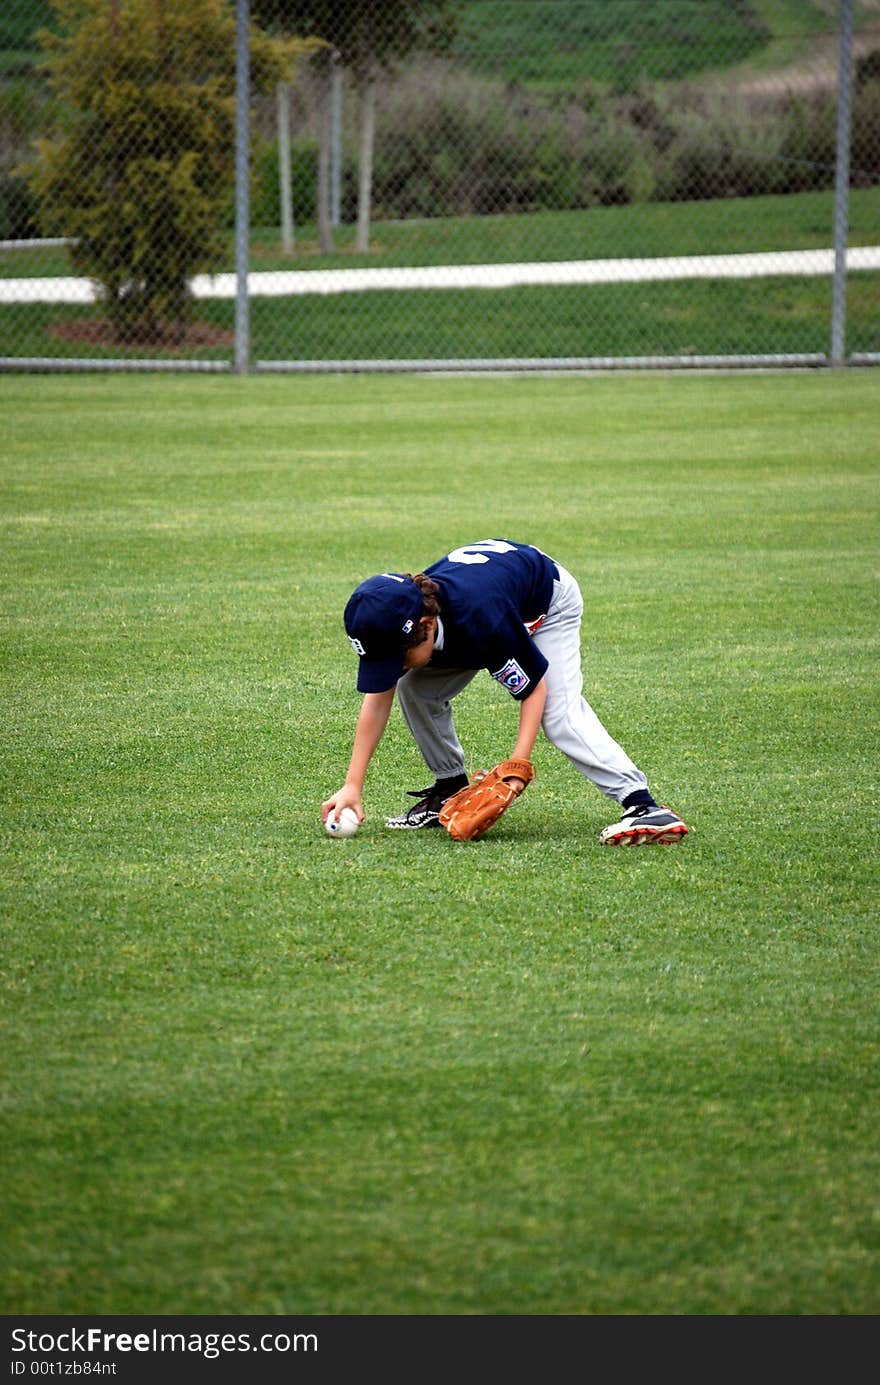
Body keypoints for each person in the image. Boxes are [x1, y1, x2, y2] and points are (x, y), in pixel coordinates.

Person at [321, 539, 688, 845]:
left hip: (547, 602)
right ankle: (449, 786)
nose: (392, 666)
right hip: (488, 596)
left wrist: (517, 766)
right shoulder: (411, 618)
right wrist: (352, 785)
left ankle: (643, 805)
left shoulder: (482, 621)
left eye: (396, 657)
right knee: (415, 687)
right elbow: (378, 698)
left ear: (426, 625)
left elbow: (535, 688)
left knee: (559, 716)